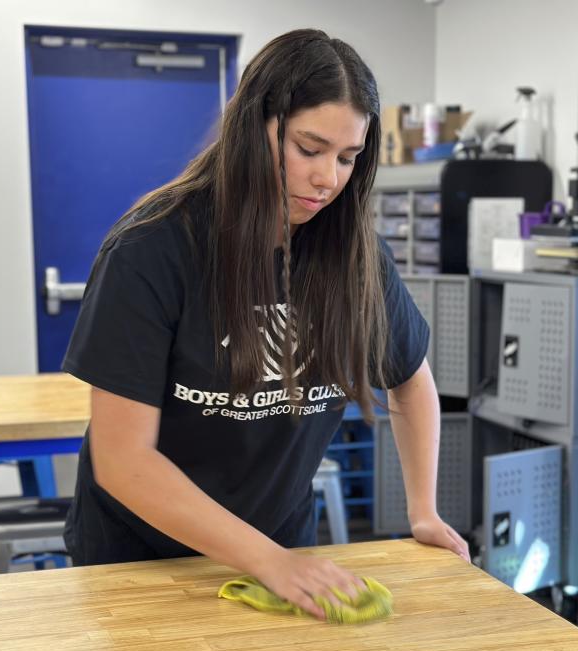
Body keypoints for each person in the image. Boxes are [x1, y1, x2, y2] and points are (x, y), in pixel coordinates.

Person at [62, 28, 470, 620]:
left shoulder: (354, 256)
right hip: (140, 561)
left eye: (348, 158)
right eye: (309, 149)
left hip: (279, 548)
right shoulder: (151, 249)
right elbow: (124, 462)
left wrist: (424, 510)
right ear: (257, 126)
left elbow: (410, 377)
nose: (328, 178)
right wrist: (269, 561)